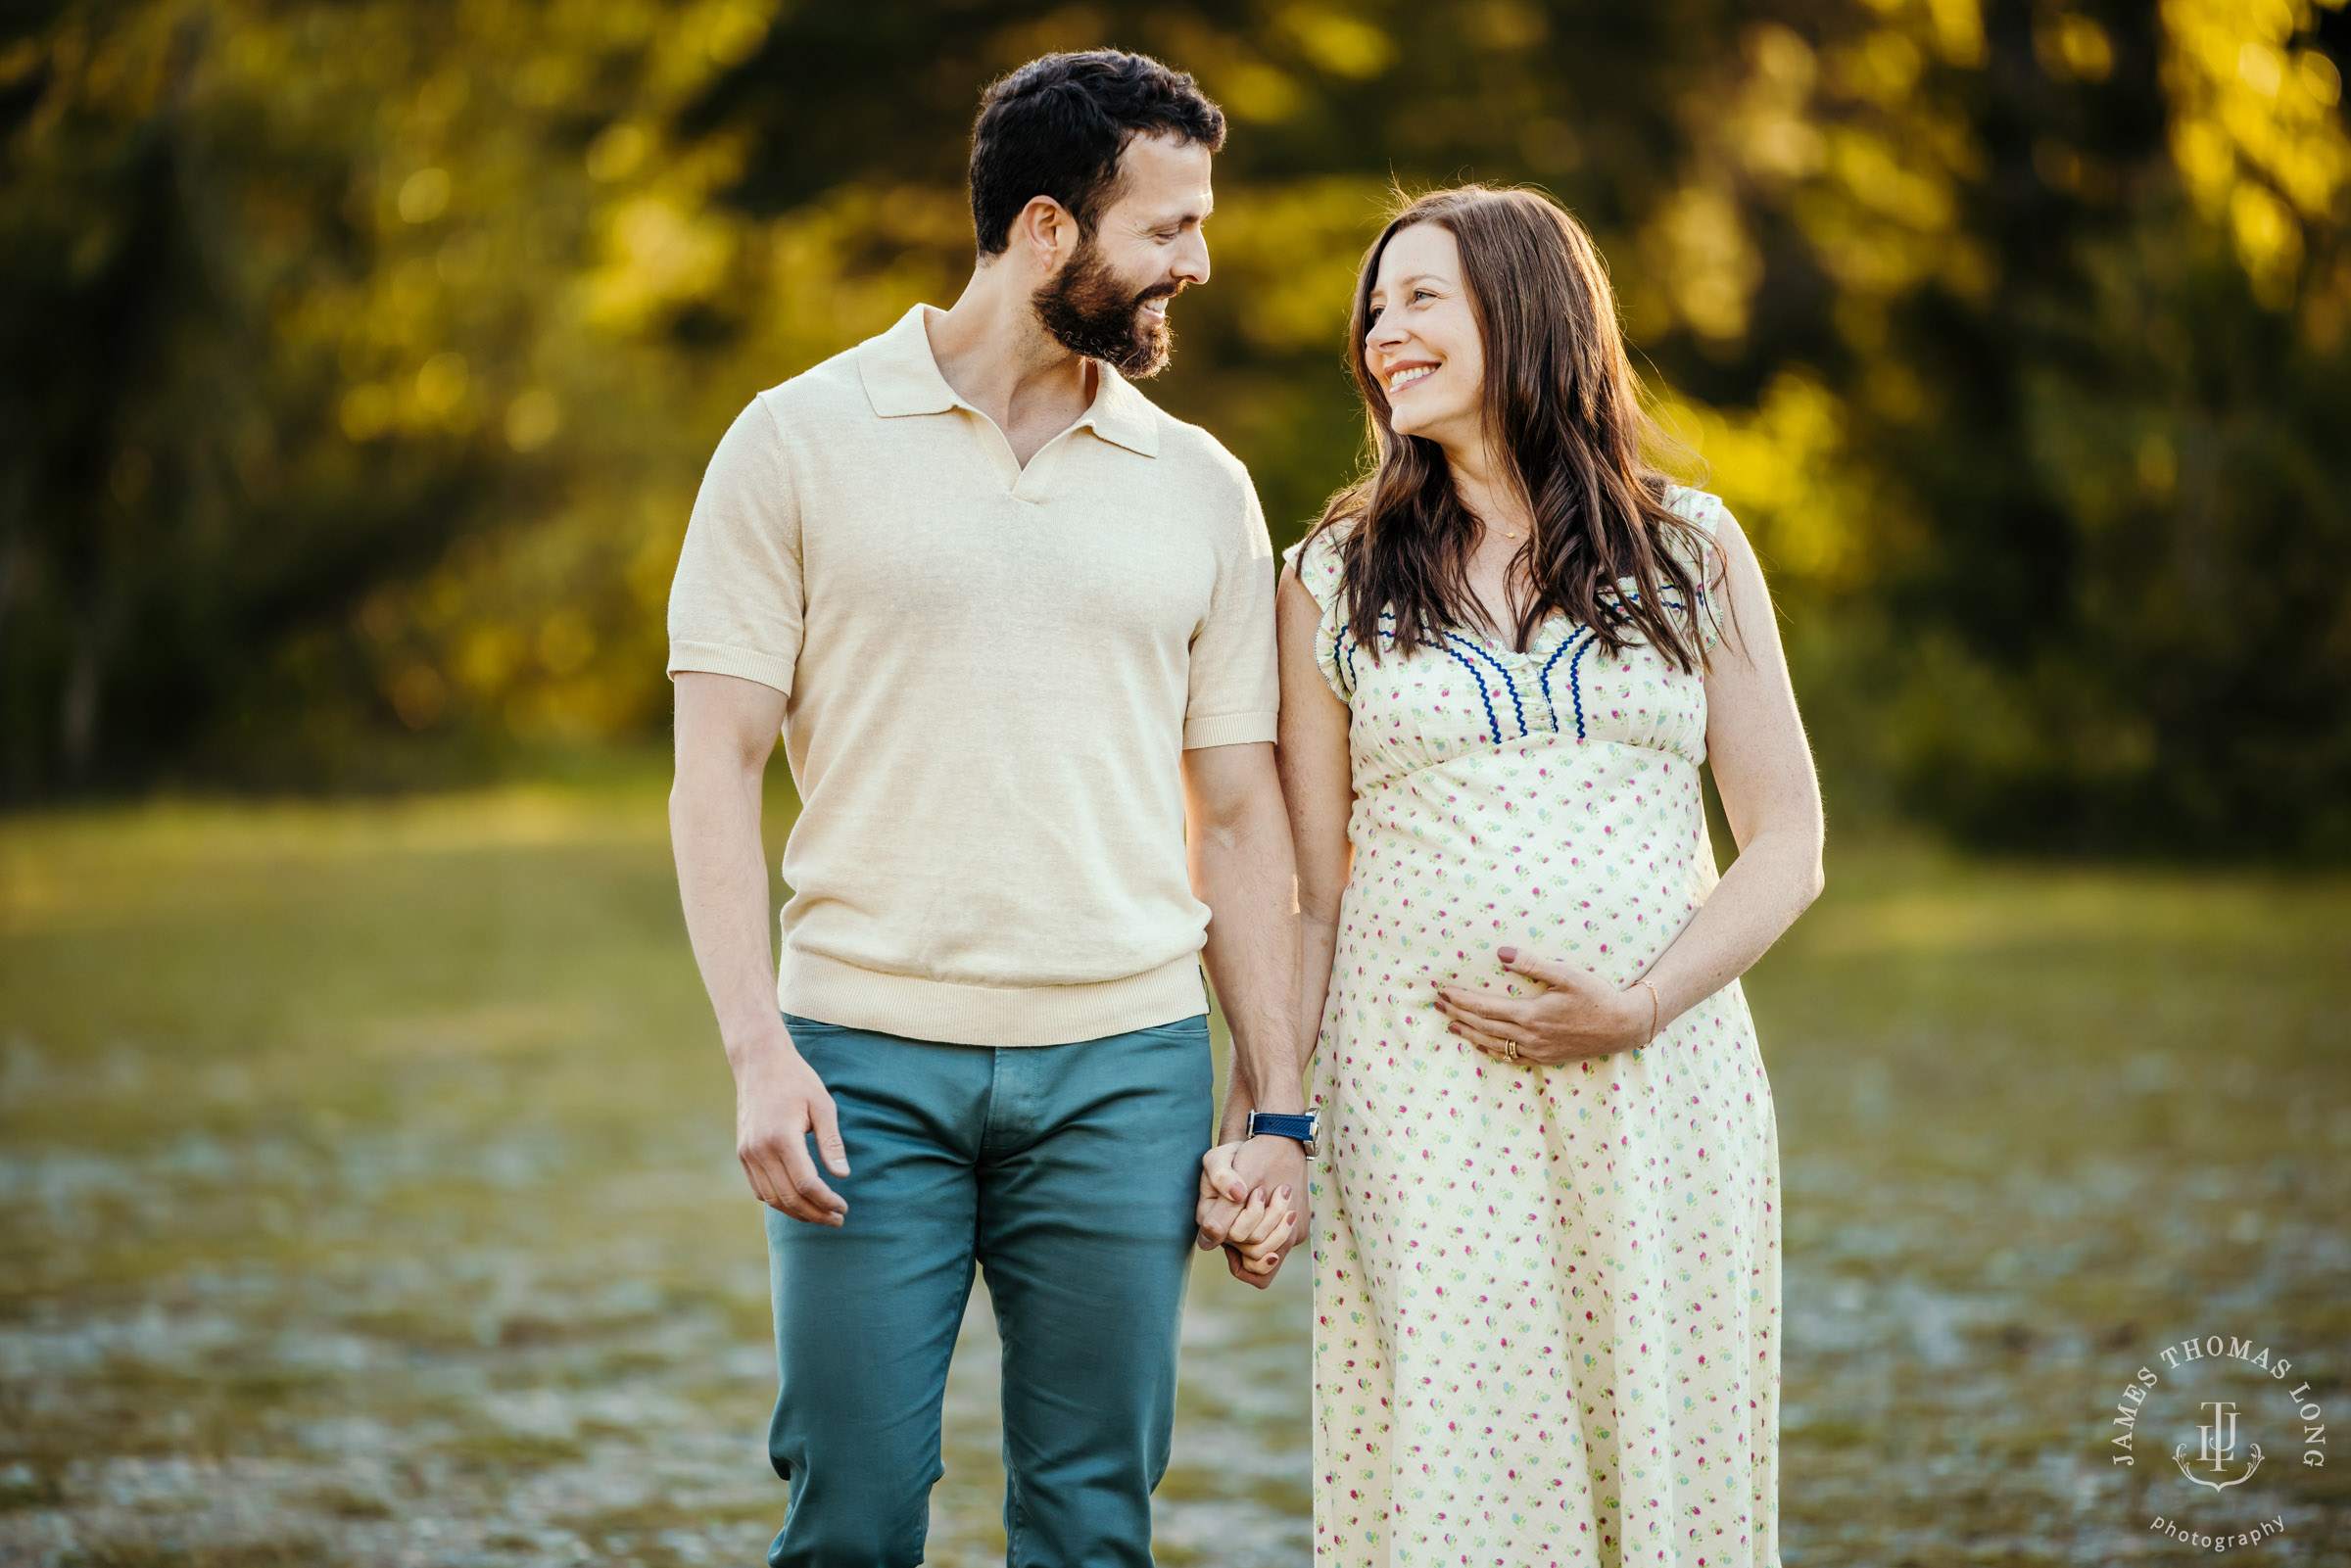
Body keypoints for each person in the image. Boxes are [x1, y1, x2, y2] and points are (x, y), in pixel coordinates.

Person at [663, 51, 1312, 1568]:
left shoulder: (1202, 485)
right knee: (853, 1517)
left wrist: (1275, 1100)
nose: (1196, 263)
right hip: (860, 1068)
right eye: (1166, 229)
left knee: (1094, 1524)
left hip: (1124, 1070)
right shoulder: (794, 442)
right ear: (1043, 230)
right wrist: (758, 1051)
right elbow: (713, 771)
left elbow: (1240, 812)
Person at [1225, 185, 1825, 1564]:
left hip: (1660, 1085)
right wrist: (1273, 1121)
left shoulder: (1692, 550)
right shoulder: (1330, 572)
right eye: (1375, 308)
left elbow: (1786, 840)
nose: (1384, 331)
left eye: (1421, 297)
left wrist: (1643, 1002)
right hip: (1424, 1103)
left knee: (1658, 1456)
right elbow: (1312, 894)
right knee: (1462, 1472)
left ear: (1529, 308)